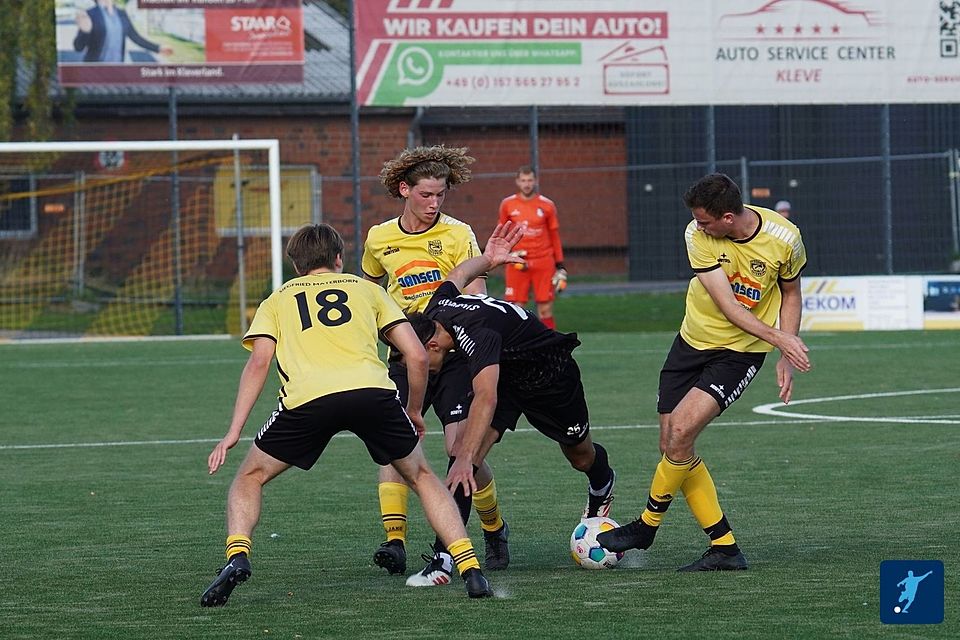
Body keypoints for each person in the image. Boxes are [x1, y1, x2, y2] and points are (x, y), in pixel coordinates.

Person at [200, 223, 493, 606]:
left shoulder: (278, 299)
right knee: (421, 477)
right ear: (339, 259)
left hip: (308, 399)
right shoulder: (367, 289)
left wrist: (233, 431)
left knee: (250, 477)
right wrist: (414, 410)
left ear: (295, 265)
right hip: (372, 393)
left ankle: (237, 556)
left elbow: (258, 363)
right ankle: (471, 570)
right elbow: (418, 355)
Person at [597, 173, 811, 571]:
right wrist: (782, 340)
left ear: (728, 218)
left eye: (706, 221)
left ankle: (646, 526)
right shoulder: (697, 236)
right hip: (690, 344)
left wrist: (783, 347)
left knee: (681, 434)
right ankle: (725, 548)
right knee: (672, 446)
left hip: (739, 354)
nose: (698, 225)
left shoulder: (785, 238)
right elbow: (730, 307)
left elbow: (791, 292)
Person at [405, 221, 617, 581]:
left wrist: (466, 455)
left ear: (432, 345)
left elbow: (486, 396)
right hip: (509, 377)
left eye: (419, 360)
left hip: (551, 375)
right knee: (463, 465)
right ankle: (445, 557)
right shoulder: (437, 307)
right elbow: (458, 273)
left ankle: (603, 484)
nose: (422, 367)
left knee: (579, 455)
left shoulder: (476, 336)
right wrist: (488, 259)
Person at [362, 145, 510, 581]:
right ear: (404, 190)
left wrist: (478, 313)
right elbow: (370, 291)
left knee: (460, 450)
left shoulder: (458, 233)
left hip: (456, 354)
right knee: (395, 444)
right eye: (426, 195)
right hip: (404, 355)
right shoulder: (379, 238)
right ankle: (395, 541)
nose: (433, 204)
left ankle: (493, 527)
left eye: (440, 195)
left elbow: (476, 283)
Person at [497, 166, 566, 329]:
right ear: (517, 182)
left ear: (535, 181)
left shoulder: (547, 205)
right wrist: (506, 253)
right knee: (515, 308)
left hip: (543, 261)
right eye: (523, 180)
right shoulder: (507, 204)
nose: (526, 184)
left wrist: (560, 264)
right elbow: (501, 232)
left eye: (529, 180)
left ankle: (549, 348)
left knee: (545, 308)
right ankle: (516, 350)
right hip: (517, 262)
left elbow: (554, 235)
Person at [74, 0, 172, 63]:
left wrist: (158, 48)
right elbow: (78, 47)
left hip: (117, 69)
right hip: (94, 71)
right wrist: (85, 32)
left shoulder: (122, 14)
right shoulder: (89, 14)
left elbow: (135, 37)